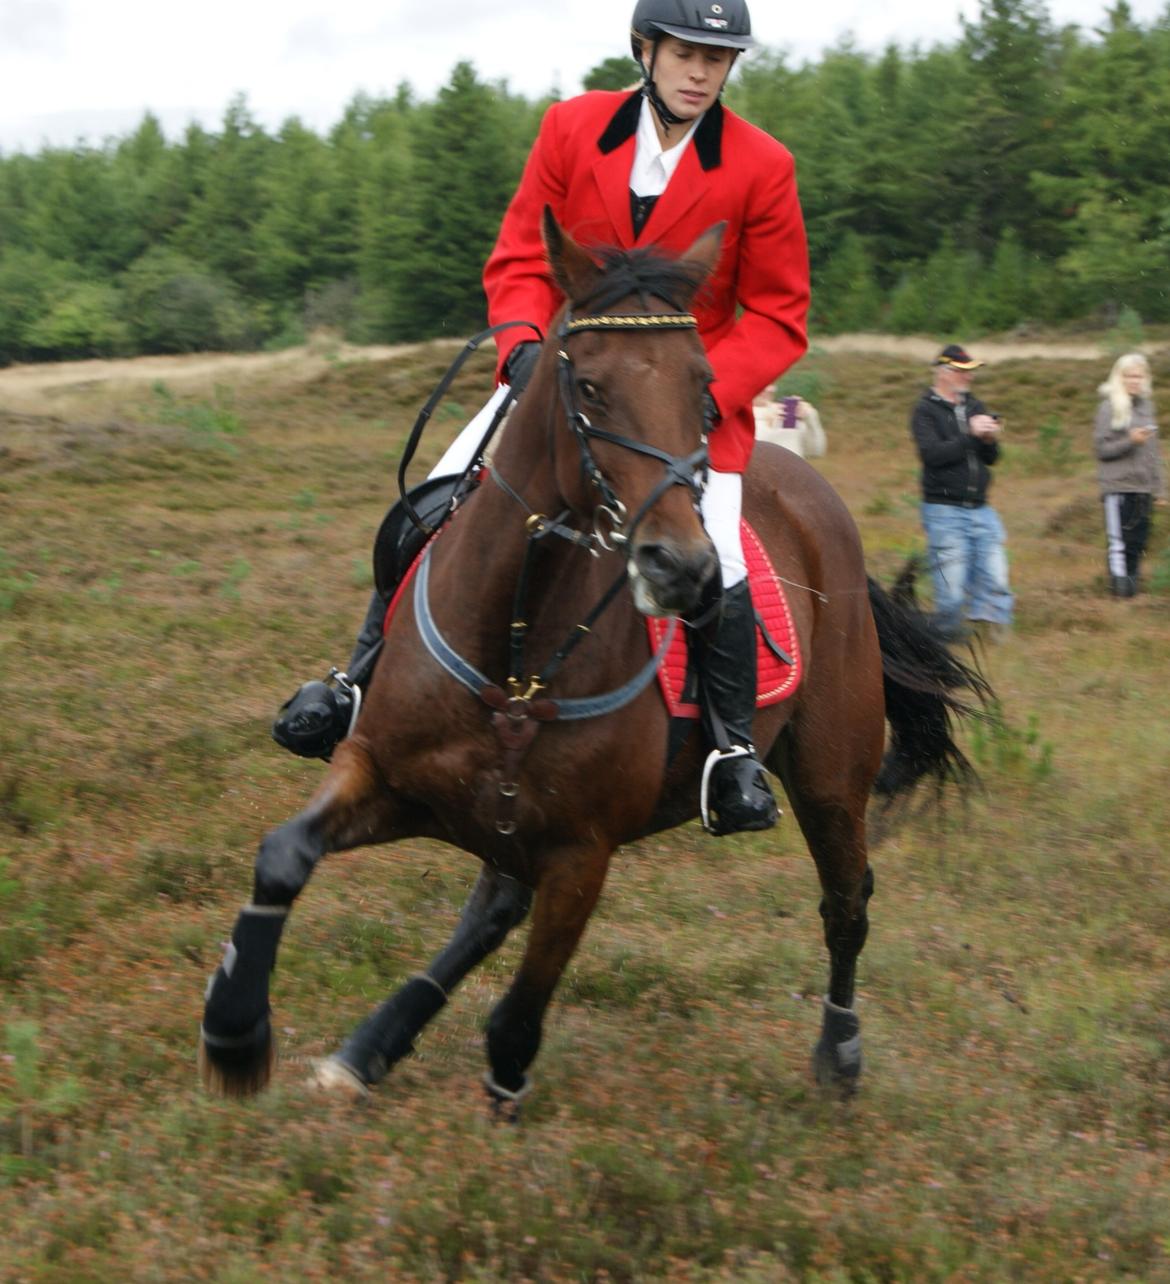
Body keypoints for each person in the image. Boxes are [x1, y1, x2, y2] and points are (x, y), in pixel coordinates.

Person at [275, 0, 810, 834]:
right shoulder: (571, 129)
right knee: (433, 504)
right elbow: (524, 254)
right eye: (686, 53)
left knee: (720, 568)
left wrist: (701, 393)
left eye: (718, 58)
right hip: (560, 387)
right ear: (646, 49)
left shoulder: (762, 165)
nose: (702, 72)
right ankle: (356, 683)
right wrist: (524, 347)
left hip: (677, 409)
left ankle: (730, 753)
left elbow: (779, 313)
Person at [910, 344, 1014, 643]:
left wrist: (988, 438)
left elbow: (992, 458)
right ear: (944, 372)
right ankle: (948, 643)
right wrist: (969, 436)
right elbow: (932, 455)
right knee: (951, 589)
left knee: (996, 577)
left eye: (971, 372)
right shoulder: (925, 410)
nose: (969, 378)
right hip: (943, 510)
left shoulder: (975, 406)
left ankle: (995, 638)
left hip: (981, 508)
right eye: (963, 372)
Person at [1093, 352, 1165, 597]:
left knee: (1138, 545)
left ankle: (1131, 597)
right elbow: (1101, 449)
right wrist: (1130, 441)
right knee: (1119, 545)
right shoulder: (1108, 408)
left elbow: (1154, 452)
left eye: (1139, 376)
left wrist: (1161, 489)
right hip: (1118, 488)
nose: (1135, 380)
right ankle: (1119, 596)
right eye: (1129, 376)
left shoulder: (1147, 407)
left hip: (1143, 490)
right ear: (1119, 378)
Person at [753, 388, 826, 459]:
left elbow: (815, 452)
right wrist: (768, 428)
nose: (770, 389)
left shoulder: (784, 411)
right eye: (763, 383)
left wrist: (810, 418)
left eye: (771, 383)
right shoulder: (743, 416)